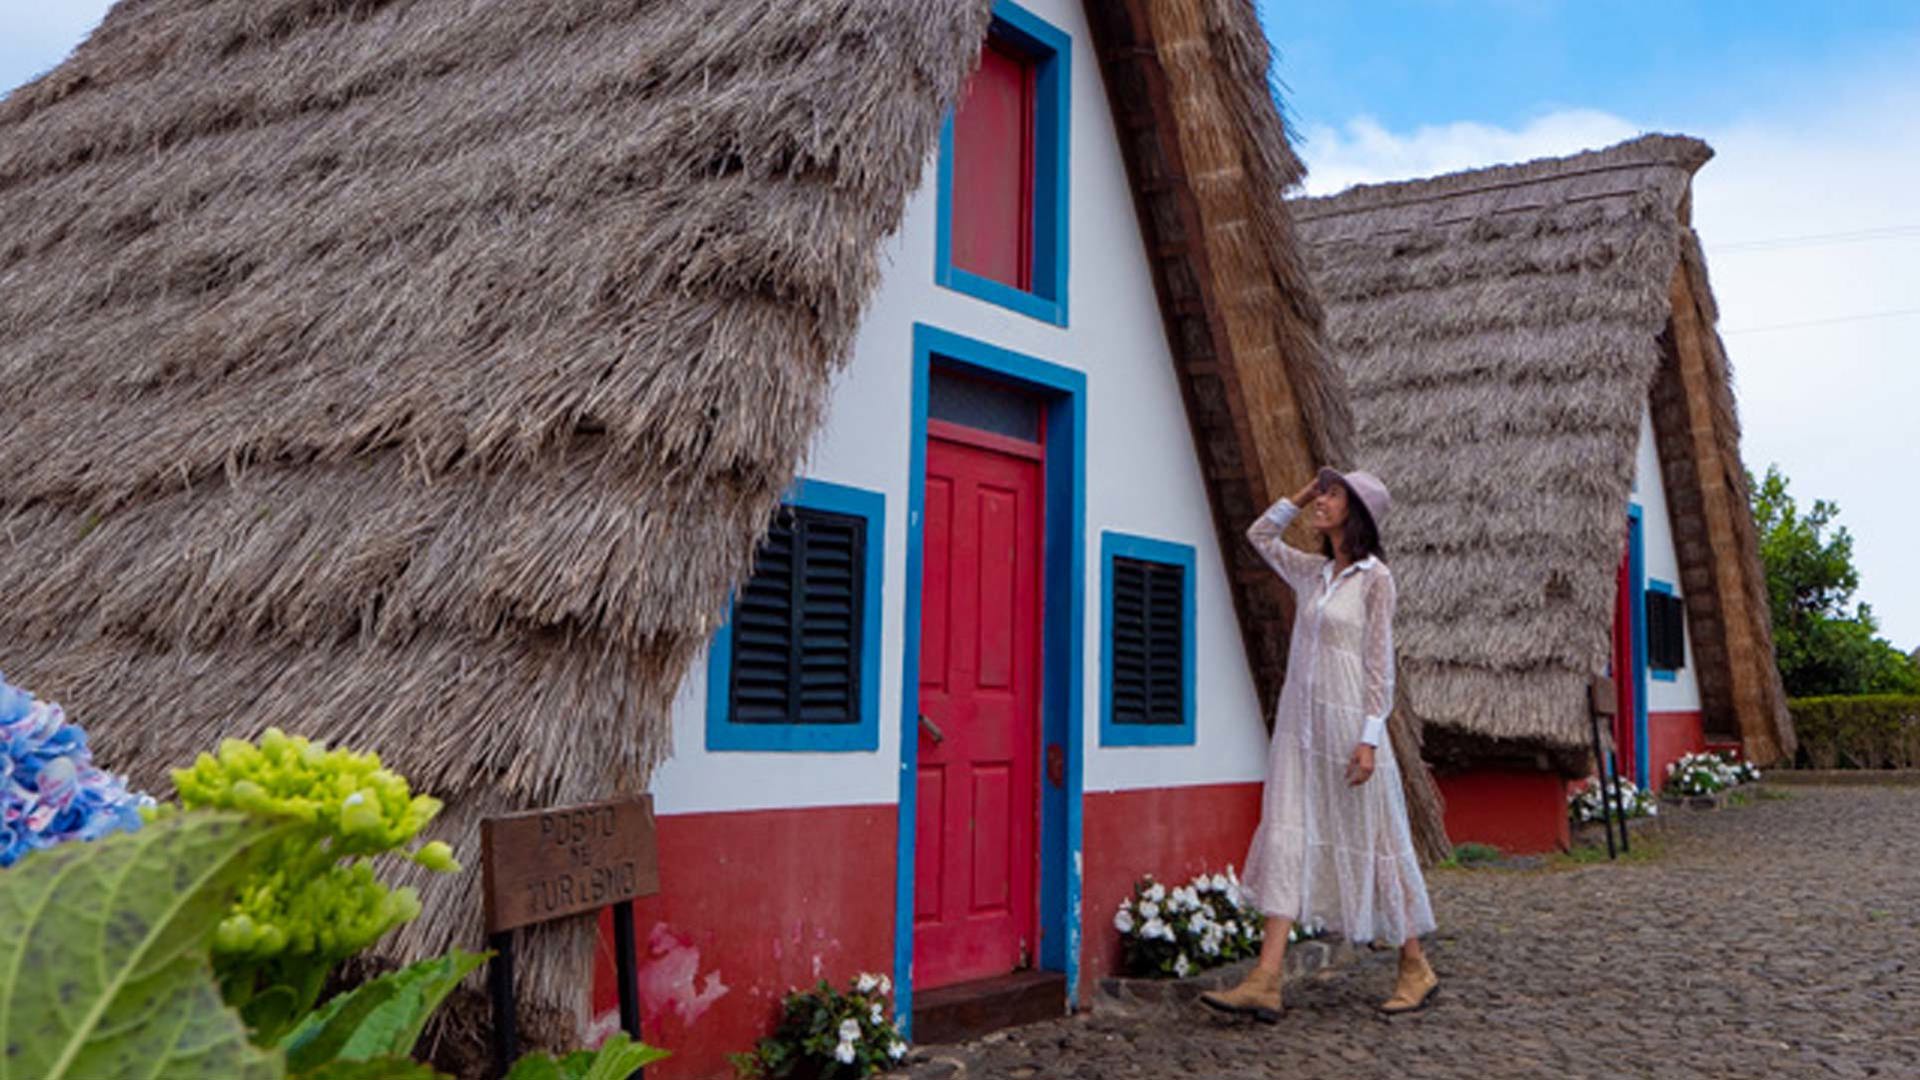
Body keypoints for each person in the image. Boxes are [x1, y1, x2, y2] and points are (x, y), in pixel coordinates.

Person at [1200, 467, 1438, 1022]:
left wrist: (1369, 739)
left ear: (1356, 511)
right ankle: (1265, 979)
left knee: (1375, 836)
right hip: (1298, 726)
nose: (1321, 502)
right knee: (1287, 830)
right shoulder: (1312, 574)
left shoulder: (1376, 579)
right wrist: (1301, 493)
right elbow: (1260, 536)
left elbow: (1380, 669)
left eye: (1331, 495)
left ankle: (1414, 966)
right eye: (1322, 493)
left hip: (1349, 727)